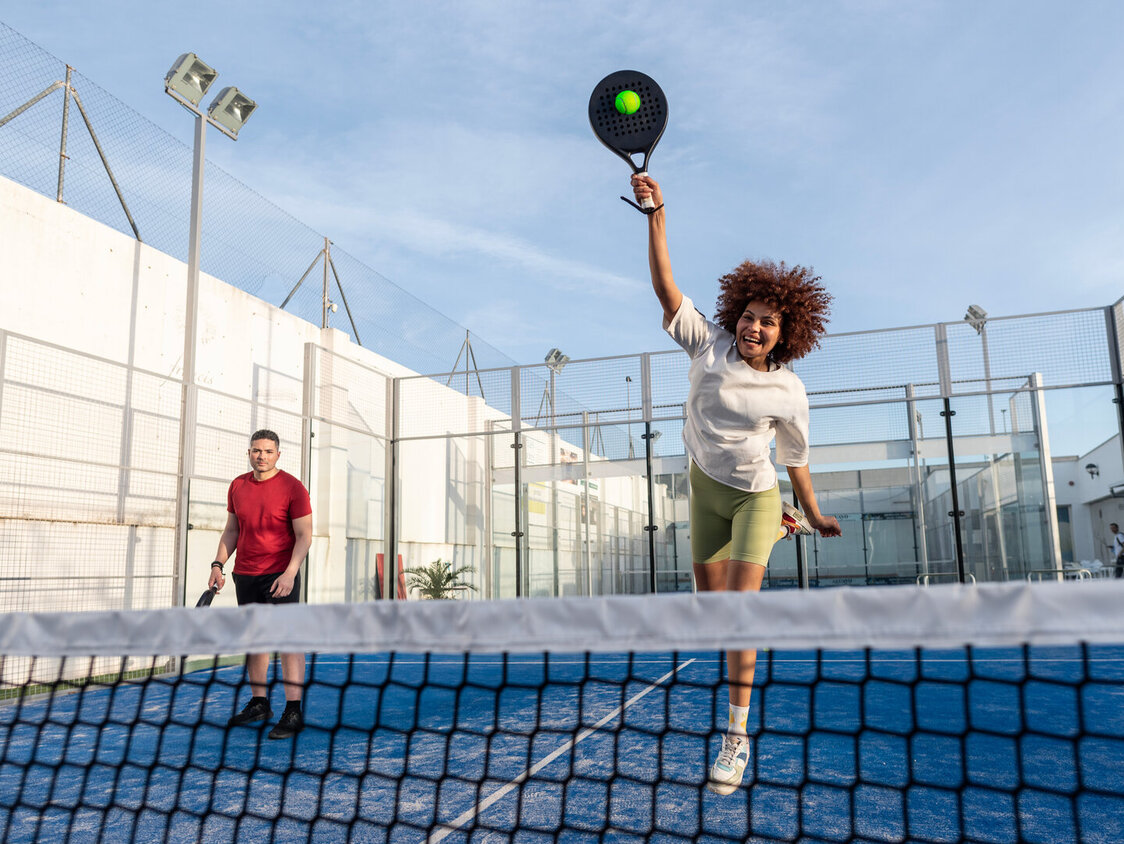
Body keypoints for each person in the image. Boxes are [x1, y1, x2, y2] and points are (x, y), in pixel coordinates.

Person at [631, 174, 841, 796]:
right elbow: (667, 291)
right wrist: (656, 215)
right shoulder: (709, 347)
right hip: (704, 491)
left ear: (786, 332)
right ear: (736, 316)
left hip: (754, 492)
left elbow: (793, 455)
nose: (754, 327)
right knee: (712, 614)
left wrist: (813, 509)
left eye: (767, 323)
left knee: (739, 617)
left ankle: (736, 736)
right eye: (749, 317)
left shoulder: (788, 389)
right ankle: (775, 527)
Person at [208, 429, 313, 740]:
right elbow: (231, 530)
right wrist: (218, 564)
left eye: (268, 451)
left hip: (281, 575)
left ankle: (293, 710)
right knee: (255, 640)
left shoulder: (293, 488)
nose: (262, 456)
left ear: (278, 454)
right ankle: (260, 703)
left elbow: (305, 536)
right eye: (256, 450)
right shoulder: (238, 486)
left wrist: (291, 572)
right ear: (249, 453)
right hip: (246, 574)